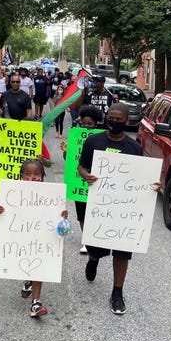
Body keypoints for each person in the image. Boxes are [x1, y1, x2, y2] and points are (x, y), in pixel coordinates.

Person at [77, 102, 153, 314]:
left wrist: (153, 186)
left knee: (122, 252)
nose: (114, 122)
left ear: (127, 121)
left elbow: (142, 177)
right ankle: (93, 258)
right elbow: (81, 166)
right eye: (111, 117)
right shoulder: (93, 141)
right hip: (100, 206)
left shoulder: (134, 148)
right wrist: (86, 176)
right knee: (96, 246)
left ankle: (117, 292)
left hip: (124, 210)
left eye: (119, 119)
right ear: (106, 117)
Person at [0, 158, 67, 318]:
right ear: (20, 175)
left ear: (42, 176)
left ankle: (36, 302)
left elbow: (62, 227)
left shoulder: (51, 197)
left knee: (38, 266)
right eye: (27, 174)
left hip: (41, 239)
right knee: (24, 261)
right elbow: (6, 215)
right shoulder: (13, 194)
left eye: (36, 174)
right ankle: (27, 281)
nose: (32, 177)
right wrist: (0, 211)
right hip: (21, 237)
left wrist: (62, 217)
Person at [60, 105, 104, 255]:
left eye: (89, 124)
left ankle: (95, 235)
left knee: (94, 210)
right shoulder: (76, 136)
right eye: (83, 124)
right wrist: (66, 152)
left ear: (96, 124)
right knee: (81, 211)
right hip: (79, 181)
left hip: (96, 180)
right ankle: (86, 240)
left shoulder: (102, 138)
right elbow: (70, 161)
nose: (86, 127)